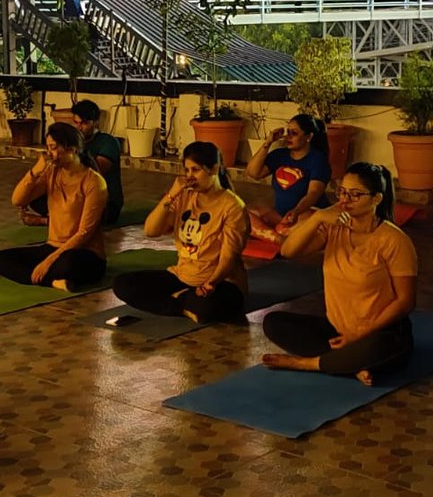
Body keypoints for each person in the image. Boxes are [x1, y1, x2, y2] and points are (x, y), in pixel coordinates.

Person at [261, 163, 417, 386]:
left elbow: (406, 301)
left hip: (379, 332)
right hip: (338, 330)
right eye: (342, 192)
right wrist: (318, 218)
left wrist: (359, 335)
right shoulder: (334, 227)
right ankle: (348, 364)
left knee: (380, 349)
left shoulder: (394, 240)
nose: (345, 200)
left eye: (355, 195)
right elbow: (287, 251)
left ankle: (309, 364)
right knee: (274, 323)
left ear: (376, 199)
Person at [112, 141, 249, 323]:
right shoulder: (184, 195)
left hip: (221, 282)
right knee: (123, 285)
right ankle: (182, 305)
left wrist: (210, 284)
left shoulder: (232, 206)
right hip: (182, 276)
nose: (190, 177)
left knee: (208, 308)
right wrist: (171, 195)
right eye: (187, 170)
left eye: (196, 170)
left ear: (214, 169)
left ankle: (183, 302)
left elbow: (229, 258)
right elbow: (151, 230)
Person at [0, 122, 108, 290]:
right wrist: (33, 172)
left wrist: (48, 261)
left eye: (53, 147)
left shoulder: (94, 182)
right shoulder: (52, 172)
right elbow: (17, 200)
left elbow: (84, 233)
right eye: (48, 147)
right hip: (53, 247)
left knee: (67, 266)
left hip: (84, 253)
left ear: (72, 149)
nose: (49, 153)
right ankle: (53, 282)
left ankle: (52, 275)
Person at [21, 101, 123, 227]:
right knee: (35, 196)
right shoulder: (71, 143)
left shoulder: (108, 142)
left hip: (105, 202)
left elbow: (96, 170)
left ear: (96, 122)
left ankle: (46, 221)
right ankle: (61, 218)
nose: (79, 127)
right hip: (75, 196)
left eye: (84, 123)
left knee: (86, 210)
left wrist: (70, 159)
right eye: (76, 122)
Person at [246, 113, 331, 242]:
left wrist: (296, 212)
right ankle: (279, 239)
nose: (288, 137)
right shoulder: (280, 155)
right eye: (288, 132)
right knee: (243, 214)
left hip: (305, 213)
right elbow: (253, 173)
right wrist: (268, 143)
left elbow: (313, 194)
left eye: (294, 133)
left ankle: (274, 235)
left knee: (283, 228)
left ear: (309, 136)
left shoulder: (318, 160)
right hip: (281, 215)